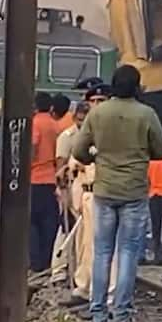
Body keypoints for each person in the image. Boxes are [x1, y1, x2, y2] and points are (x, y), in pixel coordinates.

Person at [74, 64, 162, 322]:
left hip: (104, 190)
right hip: (135, 192)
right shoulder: (146, 114)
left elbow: (80, 151)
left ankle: (98, 314)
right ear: (137, 86)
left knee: (102, 252)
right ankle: (123, 313)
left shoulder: (98, 113)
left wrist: (99, 156)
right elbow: (160, 152)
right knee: (127, 252)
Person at [59, 89, 117, 310]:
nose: (96, 104)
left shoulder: (111, 129)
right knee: (84, 244)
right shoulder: (86, 131)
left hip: (101, 190)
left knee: (101, 245)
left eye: (101, 100)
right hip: (83, 192)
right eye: (92, 101)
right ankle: (83, 287)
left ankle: (105, 294)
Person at [51, 102, 89, 284]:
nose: (82, 122)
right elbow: (60, 165)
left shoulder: (91, 135)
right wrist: (62, 191)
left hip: (85, 189)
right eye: (80, 118)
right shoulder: (67, 136)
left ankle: (77, 270)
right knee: (66, 228)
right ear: (74, 118)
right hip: (70, 187)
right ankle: (58, 269)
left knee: (81, 233)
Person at [31, 93, 60, 273]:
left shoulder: (35, 123)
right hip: (52, 179)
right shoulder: (55, 125)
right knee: (49, 223)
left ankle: (36, 262)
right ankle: (48, 260)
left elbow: (33, 146)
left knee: (32, 222)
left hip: (35, 178)